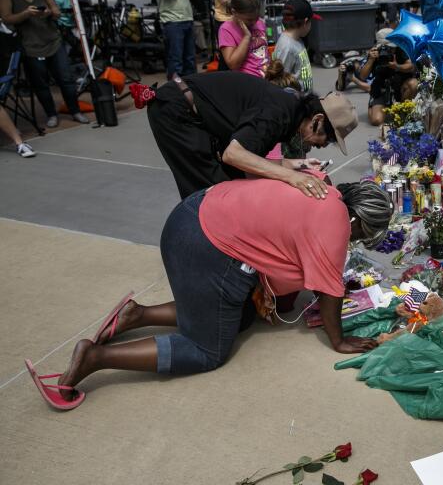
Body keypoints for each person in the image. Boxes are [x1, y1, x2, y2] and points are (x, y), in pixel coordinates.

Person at [26, 179, 391, 410]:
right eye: (362, 234)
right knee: (207, 350)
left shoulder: (321, 188)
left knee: (241, 317)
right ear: (358, 221)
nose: (356, 240)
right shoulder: (338, 223)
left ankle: (138, 315)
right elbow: (329, 294)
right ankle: (96, 357)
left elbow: (281, 243)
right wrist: (339, 341)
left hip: (188, 216)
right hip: (207, 246)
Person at [146, 71, 356, 199]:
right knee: (215, 193)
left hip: (193, 113)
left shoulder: (290, 114)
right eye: (327, 139)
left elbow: (250, 158)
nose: (321, 145)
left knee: (234, 183)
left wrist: (297, 165)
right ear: (317, 120)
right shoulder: (279, 113)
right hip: (175, 111)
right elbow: (234, 155)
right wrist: (293, 177)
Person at [0, 0, 89, 128]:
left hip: (52, 40)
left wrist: (48, 12)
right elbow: (6, 18)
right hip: (30, 44)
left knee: (65, 77)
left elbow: (57, 12)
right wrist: (26, 14)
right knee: (40, 82)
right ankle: (51, 114)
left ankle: (75, 110)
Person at [359, 27, 418, 127]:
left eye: (393, 46)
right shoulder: (374, 52)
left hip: (399, 86)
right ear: (380, 45)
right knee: (376, 121)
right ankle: (372, 105)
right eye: (388, 47)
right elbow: (363, 76)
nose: (392, 49)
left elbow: (411, 67)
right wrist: (371, 60)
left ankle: (402, 110)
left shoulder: (400, 48)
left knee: (413, 83)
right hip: (381, 88)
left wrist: (397, 67)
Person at [272, 0, 320, 93]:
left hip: (304, 97)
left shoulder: (297, 39)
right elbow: (280, 81)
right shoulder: (286, 47)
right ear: (305, 22)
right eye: (311, 22)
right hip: (294, 102)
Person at [218, 0, 268, 78]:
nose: (254, 22)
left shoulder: (259, 23)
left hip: (266, 77)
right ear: (234, 12)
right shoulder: (226, 29)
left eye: (256, 17)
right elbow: (233, 65)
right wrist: (246, 37)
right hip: (247, 80)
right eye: (249, 19)